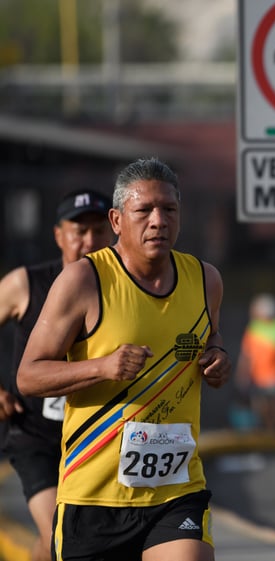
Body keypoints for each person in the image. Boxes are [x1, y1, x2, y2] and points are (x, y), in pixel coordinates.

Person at [17, 157, 231, 561]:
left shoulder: (205, 280)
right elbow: (29, 375)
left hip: (176, 491)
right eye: (144, 210)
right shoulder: (83, 280)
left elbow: (210, 334)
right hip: (94, 499)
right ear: (116, 220)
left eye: (169, 209)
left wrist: (217, 354)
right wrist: (102, 366)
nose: (158, 221)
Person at [0, 188, 113, 561]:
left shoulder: (125, 288)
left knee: (63, 540)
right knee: (58, 530)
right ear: (58, 235)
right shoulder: (25, 284)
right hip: (33, 433)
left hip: (95, 435)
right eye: (78, 231)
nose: (89, 241)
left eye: (98, 231)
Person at [235, 293, 275, 433]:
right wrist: (243, 374)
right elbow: (247, 355)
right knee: (262, 409)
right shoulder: (254, 329)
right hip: (259, 378)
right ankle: (270, 436)